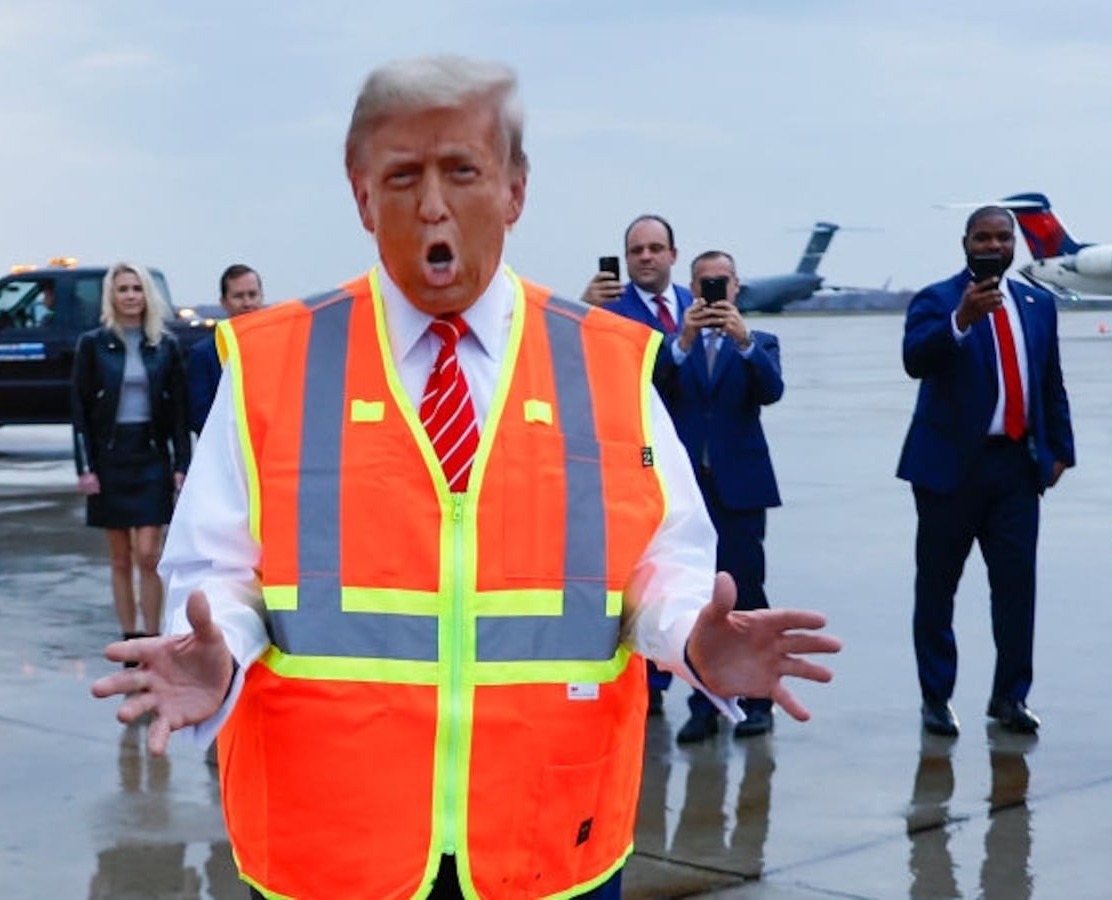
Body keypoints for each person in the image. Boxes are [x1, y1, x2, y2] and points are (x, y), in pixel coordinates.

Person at [90, 55, 840, 900]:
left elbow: (658, 563)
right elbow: (216, 569)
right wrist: (216, 650)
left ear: (516, 191)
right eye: (403, 175)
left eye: (463, 172)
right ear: (362, 194)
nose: (433, 205)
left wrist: (693, 640)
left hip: (546, 830)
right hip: (333, 841)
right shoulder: (271, 364)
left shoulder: (607, 361)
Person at [897, 206, 1075, 738]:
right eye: (983, 237)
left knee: (1017, 589)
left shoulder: (1038, 303)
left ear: (1014, 245)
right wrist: (962, 320)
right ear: (965, 243)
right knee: (937, 589)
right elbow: (915, 360)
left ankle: (1010, 697)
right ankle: (936, 697)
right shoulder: (936, 299)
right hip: (949, 469)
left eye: (1003, 237)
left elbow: (1051, 381)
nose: (993, 246)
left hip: (1016, 467)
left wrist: (1061, 448)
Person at [654, 250, 785, 744]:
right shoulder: (674, 347)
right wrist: (684, 339)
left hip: (740, 490)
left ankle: (758, 700)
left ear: (736, 288)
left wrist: (744, 340)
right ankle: (704, 703)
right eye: (704, 284)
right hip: (688, 491)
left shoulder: (761, 342)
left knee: (747, 596)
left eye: (722, 283)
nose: (714, 291)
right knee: (693, 599)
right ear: (691, 289)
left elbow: (771, 391)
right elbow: (654, 387)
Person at [585, 213, 696, 715]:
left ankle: (710, 693)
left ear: (673, 254)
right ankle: (645, 696)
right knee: (639, 583)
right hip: (637, 467)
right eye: (636, 251)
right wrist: (583, 317)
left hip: (707, 466)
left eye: (655, 248)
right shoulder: (606, 312)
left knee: (714, 580)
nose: (646, 257)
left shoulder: (703, 306)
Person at [72, 262, 191, 650]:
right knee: (120, 558)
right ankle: (130, 638)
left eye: (136, 289)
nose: (130, 296)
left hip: (151, 454)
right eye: (122, 289)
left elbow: (179, 413)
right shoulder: (93, 344)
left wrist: (181, 465)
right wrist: (86, 467)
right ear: (112, 296)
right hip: (111, 457)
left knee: (148, 554)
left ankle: (153, 638)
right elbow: (80, 411)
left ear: (146, 295)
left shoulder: (165, 345)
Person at [187, 264, 265, 435]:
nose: (247, 303)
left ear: (262, 297)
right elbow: (200, 416)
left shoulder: (277, 348)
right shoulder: (204, 354)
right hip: (225, 451)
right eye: (238, 296)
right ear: (224, 302)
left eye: (252, 295)